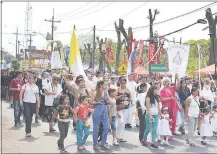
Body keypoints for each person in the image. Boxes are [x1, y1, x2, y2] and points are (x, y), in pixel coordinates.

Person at [91, 81, 110, 150]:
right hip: (97, 109)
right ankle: (95, 144)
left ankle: (103, 142)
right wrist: (97, 102)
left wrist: (108, 101)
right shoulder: (95, 92)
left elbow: (108, 101)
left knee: (107, 127)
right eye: (105, 84)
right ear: (101, 85)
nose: (106, 85)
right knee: (96, 128)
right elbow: (91, 101)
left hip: (105, 109)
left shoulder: (106, 92)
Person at [116, 77, 131, 143]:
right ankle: (117, 136)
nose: (123, 84)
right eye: (122, 83)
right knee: (120, 121)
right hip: (119, 108)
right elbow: (114, 98)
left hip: (126, 108)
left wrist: (129, 101)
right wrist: (121, 96)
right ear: (120, 83)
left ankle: (121, 136)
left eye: (124, 83)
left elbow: (130, 98)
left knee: (123, 123)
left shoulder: (128, 90)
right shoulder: (117, 90)